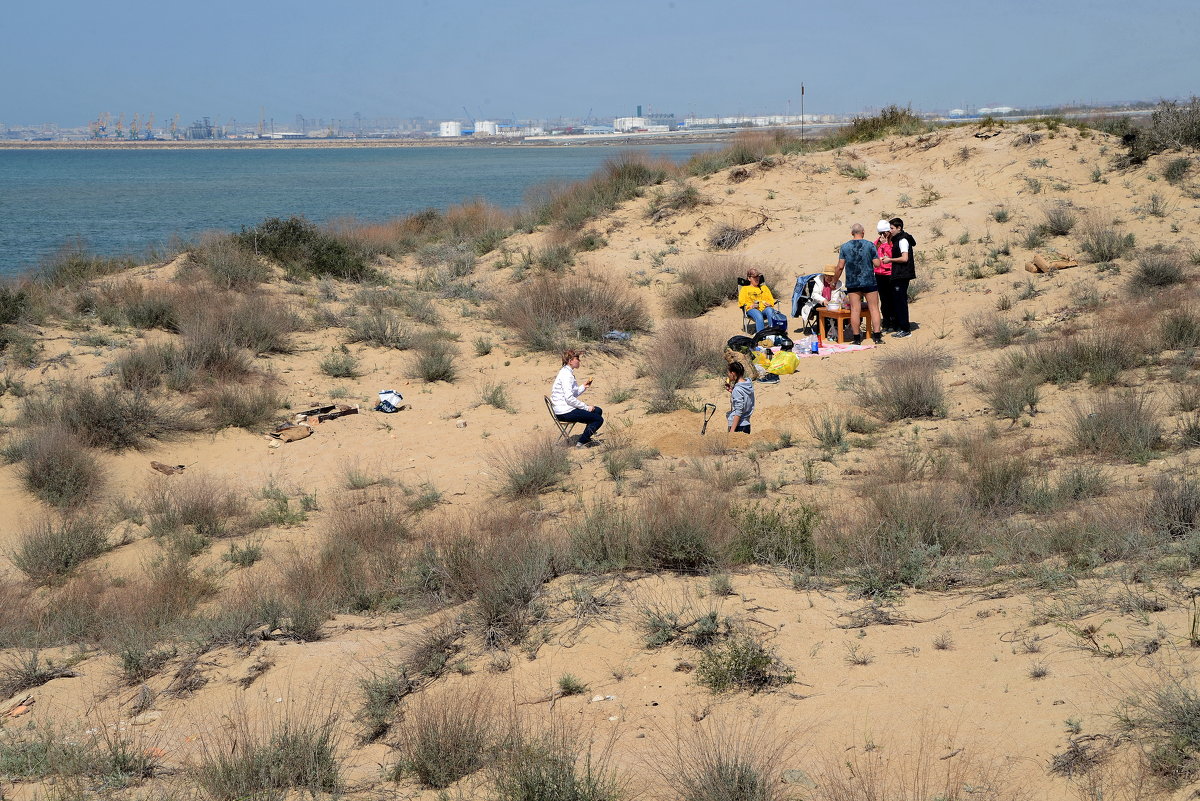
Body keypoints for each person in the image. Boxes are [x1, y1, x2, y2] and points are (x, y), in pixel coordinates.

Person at [831, 223, 884, 345]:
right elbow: (877, 264)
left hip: (853, 283)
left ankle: (856, 338)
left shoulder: (844, 247)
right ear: (863, 232)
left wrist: (834, 281)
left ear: (852, 233)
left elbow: (840, 266)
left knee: (855, 310)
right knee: (874, 308)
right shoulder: (870, 245)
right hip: (869, 281)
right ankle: (877, 336)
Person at [550, 349, 603, 448]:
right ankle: (582, 442)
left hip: (564, 408)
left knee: (598, 411)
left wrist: (584, 386)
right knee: (598, 420)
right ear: (570, 361)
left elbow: (572, 394)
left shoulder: (566, 372)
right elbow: (569, 398)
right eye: (577, 359)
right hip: (565, 412)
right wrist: (586, 407)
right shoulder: (567, 375)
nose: (579, 361)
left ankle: (586, 437)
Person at [879, 217, 916, 338]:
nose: (890, 230)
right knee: (897, 301)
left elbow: (904, 258)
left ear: (899, 228)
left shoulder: (902, 240)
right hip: (899, 274)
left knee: (900, 302)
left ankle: (905, 329)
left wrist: (890, 259)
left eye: (892, 228)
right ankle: (902, 326)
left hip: (902, 274)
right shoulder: (898, 239)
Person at [738, 268, 788, 333]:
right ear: (749, 278)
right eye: (754, 277)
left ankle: (773, 333)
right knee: (758, 315)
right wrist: (751, 305)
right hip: (752, 310)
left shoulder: (764, 288)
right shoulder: (745, 289)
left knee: (770, 310)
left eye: (758, 276)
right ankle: (761, 337)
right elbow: (742, 302)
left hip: (764, 309)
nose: (757, 278)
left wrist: (769, 304)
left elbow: (771, 300)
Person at [873, 219, 897, 332]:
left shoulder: (892, 242)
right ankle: (886, 322)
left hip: (890, 274)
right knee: (884, 299)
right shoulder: (876, 243)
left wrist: (885, 245)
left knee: (893, 298)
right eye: (880, 233)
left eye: (885, 233)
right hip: (879, 274)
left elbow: (892, 255)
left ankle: (894, 321)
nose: (882, 235)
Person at [726, 361, 755, 433]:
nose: (728, 375)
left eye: (729, 373)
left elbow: (739, 411)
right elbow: (745, 399)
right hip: (746, 425)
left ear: (733, 373)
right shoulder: (748, 385)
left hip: (738, 427)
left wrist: (732, 431)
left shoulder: (737, 389)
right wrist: (732, 391)